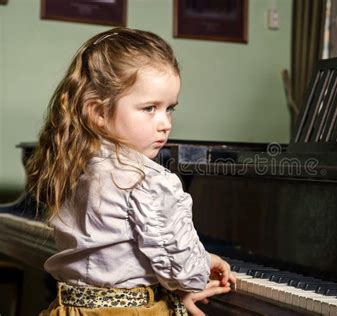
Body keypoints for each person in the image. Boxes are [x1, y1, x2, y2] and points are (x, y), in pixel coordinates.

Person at [26, 27, 236, 315]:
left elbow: (115, 261)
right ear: (98, 112)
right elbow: (183, 271)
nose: (165, 123)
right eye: (150, 108)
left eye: (169, 108)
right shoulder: (148, 180)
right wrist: (203, 263)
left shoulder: (73, 162)